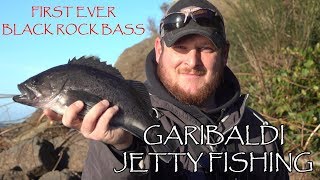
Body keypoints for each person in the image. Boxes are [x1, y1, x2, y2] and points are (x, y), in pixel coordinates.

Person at [45, 0, 289, 179]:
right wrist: (122, 150)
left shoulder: (263, 132)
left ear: (224, 54)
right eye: (180, 47)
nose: (192, 61)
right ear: (159, 50)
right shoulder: (116, 120)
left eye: (205, 48)